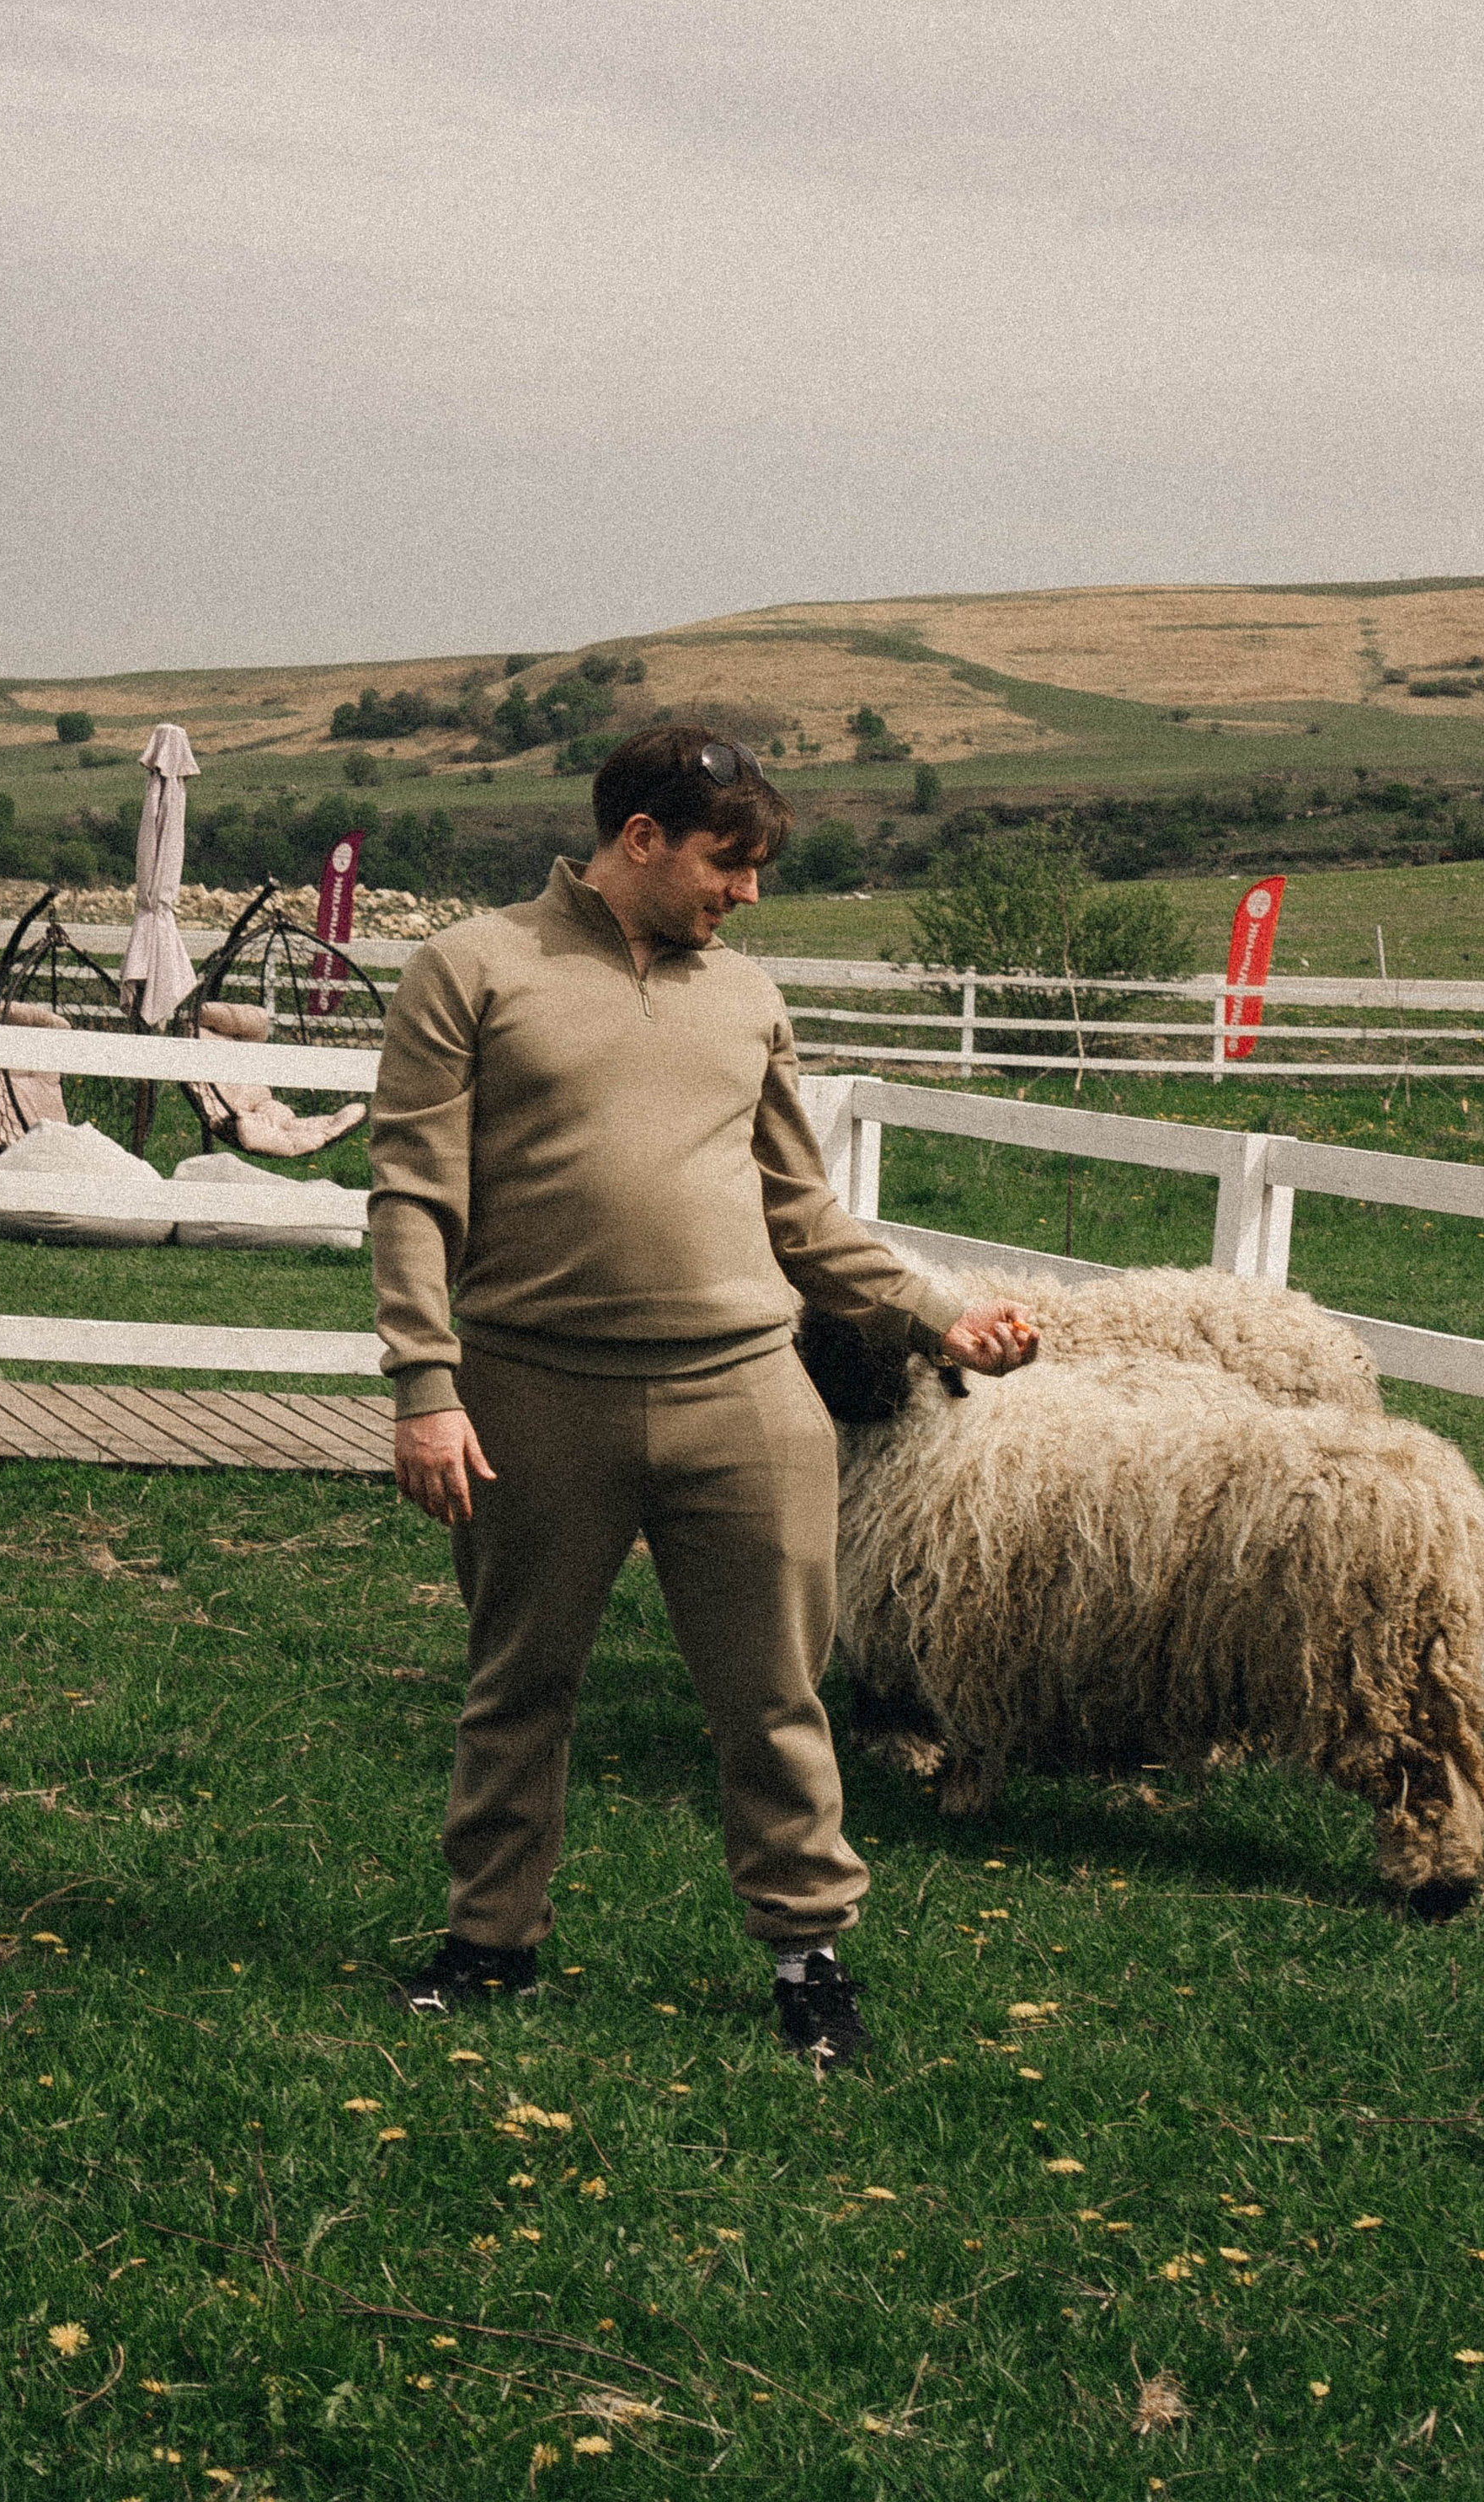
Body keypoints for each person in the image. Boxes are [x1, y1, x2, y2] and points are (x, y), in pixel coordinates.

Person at [369, 724, 1036, 2066]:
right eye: (728, 864)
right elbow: (413, 1199)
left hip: (744, 1393)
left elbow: (804, 1211)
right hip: (533, 1393)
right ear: (640, 841)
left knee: (773, 1693)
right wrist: (426, 1389)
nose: (746, 895)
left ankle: (808, 1961)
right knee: (518, 1685)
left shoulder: (748, 998)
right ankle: (489, 1943)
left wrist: (934, 1316)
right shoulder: (472, 970)